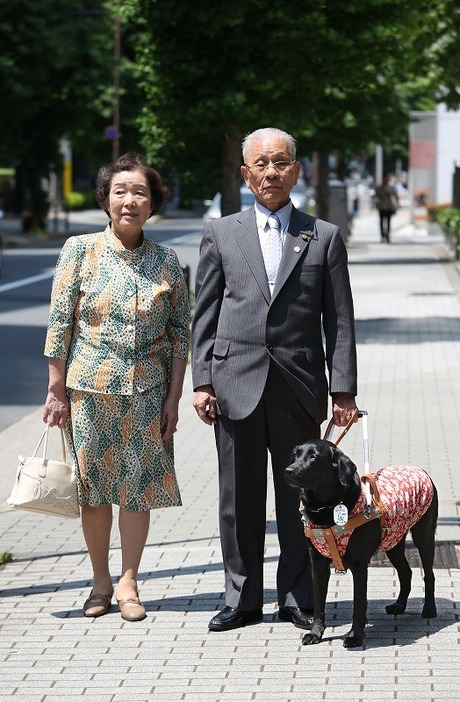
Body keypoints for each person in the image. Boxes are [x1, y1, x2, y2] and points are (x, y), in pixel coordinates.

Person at [191, 127, 357, 632]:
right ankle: (241, 599)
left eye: (280, 162)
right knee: (237, 501)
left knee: (300, 498)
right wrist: (202, 381)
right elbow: (205, 313)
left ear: (296, 171)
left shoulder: (322, 235)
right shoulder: (222, 233)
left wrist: (342, 389)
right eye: (260, 164)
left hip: (298, 385)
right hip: (233, 382)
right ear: (246, 174)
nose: (270, 172)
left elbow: (340, 319)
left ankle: (298, 596)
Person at [43, 152, 190, 621]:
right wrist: (55, 389)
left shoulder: (167, 261)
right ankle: (100, 582)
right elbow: (59, 322)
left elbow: (180, 335)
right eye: (120, 191)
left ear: (153, 203)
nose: (129, 201)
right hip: (88, 392)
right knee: (94, 490)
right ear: (106, 200)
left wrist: (173, 398)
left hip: (148, 393)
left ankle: (129, 581)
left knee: (138, 488)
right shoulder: (79, 249)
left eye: (140, 192)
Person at [374, 174, 399, 242]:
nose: (385, 180)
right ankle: (382, 236)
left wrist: (396, 205)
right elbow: (376, 196)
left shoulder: (390, 188)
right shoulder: (379, 188)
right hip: (381, 207)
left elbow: (395, 196)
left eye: (386, 179)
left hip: (389, 207)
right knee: (381, 222)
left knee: (388, 222)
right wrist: (377, 204)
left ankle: (387, 236)